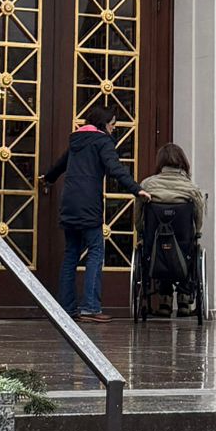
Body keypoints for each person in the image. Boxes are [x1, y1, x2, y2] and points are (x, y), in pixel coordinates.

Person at [42, 106, 142, 321]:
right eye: (113, 124)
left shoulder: (76, 141)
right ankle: (90, 307)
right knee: (96, 252)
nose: (114, 128)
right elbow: (115, 168)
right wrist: (137, 190)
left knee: (70, 254)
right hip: (89, 205)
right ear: (103, 124)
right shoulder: (102, 141)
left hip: (69, 203)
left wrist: (47, 179)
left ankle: (66, 309)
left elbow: (60, 165)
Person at [137, 144, 206, 316]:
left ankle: (164, 301)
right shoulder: (191, 188)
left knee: (160, 248)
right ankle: (184, 298)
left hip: (155, 246)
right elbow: (198, 213)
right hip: (183, 245)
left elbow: (138, 211)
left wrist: (140, 230)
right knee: (187, 251)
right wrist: (197, 231)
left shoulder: (147, 185)